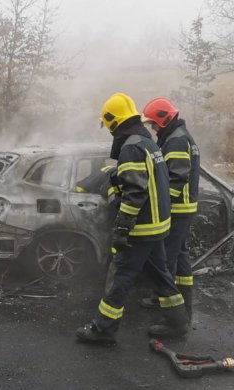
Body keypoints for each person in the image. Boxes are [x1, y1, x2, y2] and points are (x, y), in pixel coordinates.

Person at [75, 92, 189, 344]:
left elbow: (135, 192)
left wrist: (121, 229)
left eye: (107, 125)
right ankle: (178, 323)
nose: (107, 131)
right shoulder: (147, 143)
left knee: (121, 276)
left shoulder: (131, 148)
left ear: (113, 121)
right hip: (159, 226)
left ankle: (103, 330)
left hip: (142, 228)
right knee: (161, 275)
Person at [140, 97, 200, 322]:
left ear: (164, 120)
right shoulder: (181, 136)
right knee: (181, 253)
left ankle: (165, 305)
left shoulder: (175, 141)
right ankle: (184, 295)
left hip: (178, 208)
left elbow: (176, 178)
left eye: (154, 123)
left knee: (166, 258)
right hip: (185, 207)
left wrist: (164, 205)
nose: (153, 128)